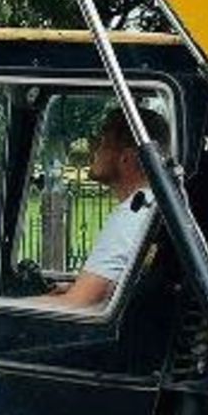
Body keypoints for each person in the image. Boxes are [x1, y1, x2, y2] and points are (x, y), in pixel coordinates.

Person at [33, 105, 170, 311]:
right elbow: (109, 289)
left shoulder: (131, 217)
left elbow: (76, 304)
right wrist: (81, 287)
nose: (92, 148)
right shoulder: (150, 207)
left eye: (102, 142)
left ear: (127, 158)